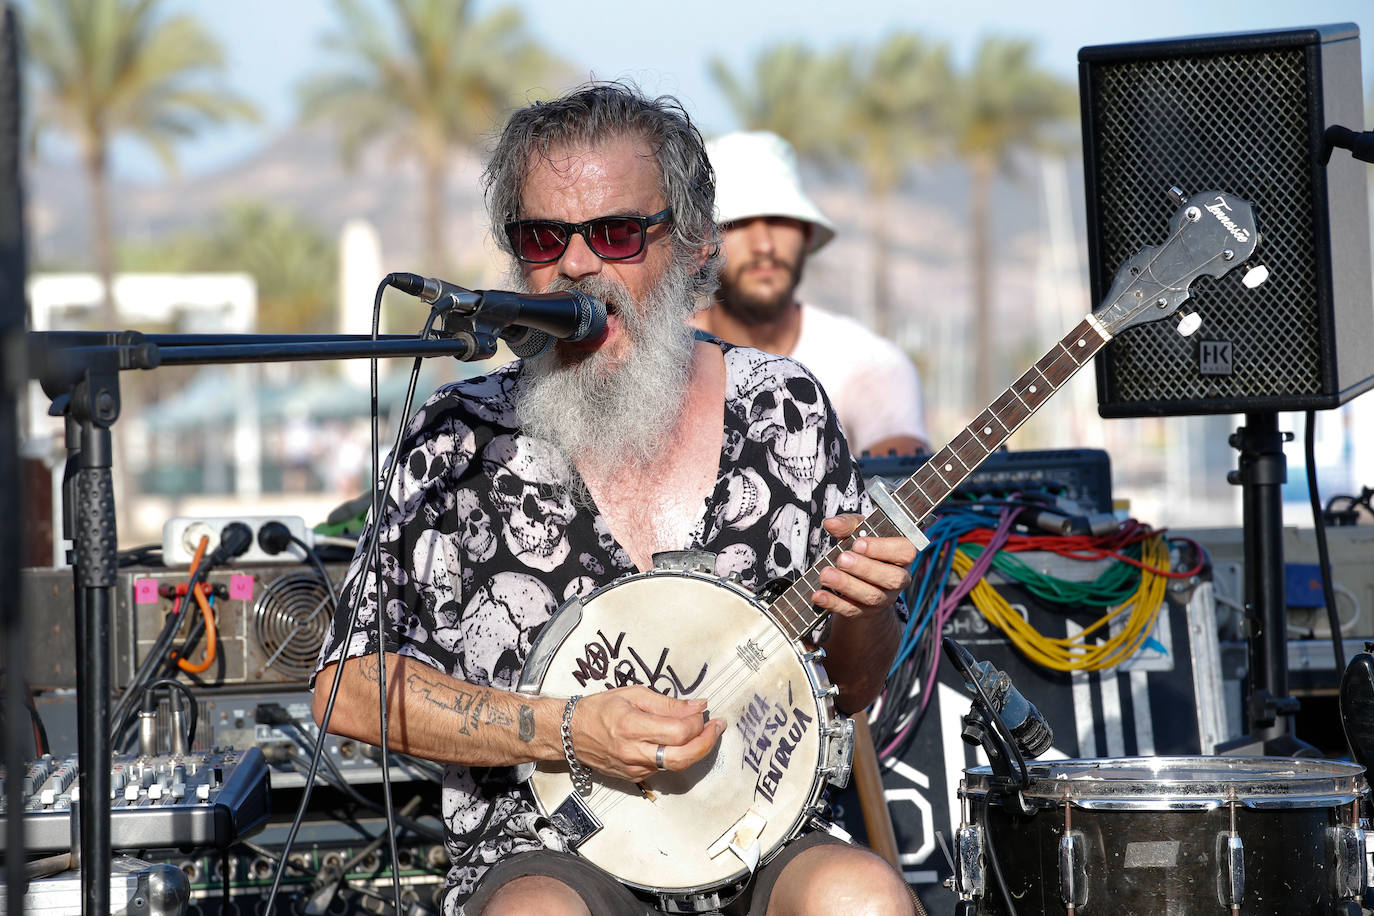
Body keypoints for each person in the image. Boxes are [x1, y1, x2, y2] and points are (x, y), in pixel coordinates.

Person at [313, 83, 917, 916]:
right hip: (547, 854)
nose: (577, 264)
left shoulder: (784, 409)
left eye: (618, 233)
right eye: (541, 237)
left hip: (760, 844)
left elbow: (851, 690)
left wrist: (866, 609)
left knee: (862, 899)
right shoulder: (458, 439)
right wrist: (563, 728)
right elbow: (347, 686)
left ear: (696, 243)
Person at [691, 131, 930, 457]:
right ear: (703, 242)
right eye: (739, 223)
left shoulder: (871, 365)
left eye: (779, 220)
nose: (764, 245)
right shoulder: (662, 359)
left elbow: (903, 491)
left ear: (805, 233)